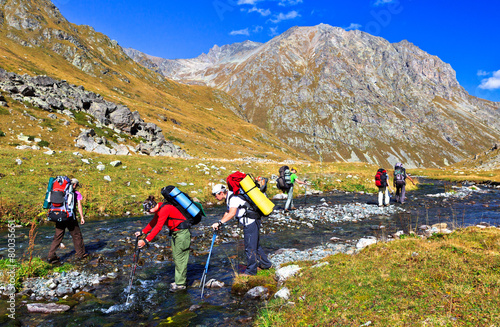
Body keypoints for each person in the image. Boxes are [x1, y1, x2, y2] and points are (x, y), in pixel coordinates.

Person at [210, 183, 272, 276]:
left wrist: (220, 223)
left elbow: (232, 213)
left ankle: (251, 272)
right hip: (253, 220)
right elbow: (228, 212)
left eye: (215, 195)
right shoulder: (230, 197)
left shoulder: (234, 198)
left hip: (250, 222)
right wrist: (220, 222)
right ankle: (266, 264)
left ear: (221, 193)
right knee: (255, 245)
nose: (215, 197)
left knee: (249, 247)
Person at [135, 194, 191, 292]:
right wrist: (143, 232)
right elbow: (153, 222)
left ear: (152, 207)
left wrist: (146, 241)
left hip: (182, 233)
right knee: (176, 256)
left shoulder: (165, 209)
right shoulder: (159, 209)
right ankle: (180, 281)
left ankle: (181, 284)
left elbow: (158, 227)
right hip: (175, 233)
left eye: (148, 210)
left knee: (180, 257)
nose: (148, 212)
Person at [47, 178, 87, 263]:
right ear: (75, 185)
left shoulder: (59, 192)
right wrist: (82, 217)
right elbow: (79, 206)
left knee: (57, 237)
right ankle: (81, 255)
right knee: (77, 235)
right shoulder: (76, 193)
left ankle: (51, 256)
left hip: (58, 215)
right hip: (70, 217)